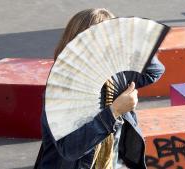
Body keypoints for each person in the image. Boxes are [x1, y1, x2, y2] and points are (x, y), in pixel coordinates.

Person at [34, 8, 165, 169]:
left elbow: (154, 72)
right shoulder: (62, 89)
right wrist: (114, 112)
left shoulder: (115, 74)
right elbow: (70, 148)